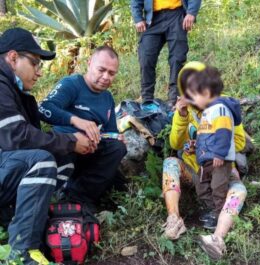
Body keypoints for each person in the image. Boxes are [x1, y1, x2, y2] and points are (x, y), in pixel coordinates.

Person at [0, 28, 94, 265]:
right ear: (12, 58)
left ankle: (40, 220)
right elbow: (17, 137)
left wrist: (69, 145)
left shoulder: (18, 93)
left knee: (61, 157)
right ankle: (22, 252)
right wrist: (71, 140)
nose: (39, 72)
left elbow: (29, 141)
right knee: (42, 161)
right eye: (35, 63)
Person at [162, 61, 247, 260]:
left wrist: (207, 145)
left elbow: (240, 142)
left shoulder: (222, 104)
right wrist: (182, 115)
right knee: (170, 163)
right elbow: (175, 143)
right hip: (194, 170)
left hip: (220, 168)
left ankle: (217, 238)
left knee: (239, 190)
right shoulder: (185, 110)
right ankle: (174, 218)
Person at [39, 46, 127, 212]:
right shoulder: (71, 84)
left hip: (90, 151)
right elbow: (44, 108)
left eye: (111, 73)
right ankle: (69, 195)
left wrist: (117, 137)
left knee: (117, 148)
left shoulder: (107, 97)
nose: (106, 77)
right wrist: (75, 120)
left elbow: (111, 132)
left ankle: (78, 196)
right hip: (65, 148)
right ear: (89, 63)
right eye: (101, 70)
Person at [186, 67, 243, 229]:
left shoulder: (220, 109)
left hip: (219, 160)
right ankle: (211, 211)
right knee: (202, 186)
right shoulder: (207, 112)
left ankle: (219, 215)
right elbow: (207, 136)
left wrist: (219, 154)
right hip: (206, 160)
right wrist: (196, 146)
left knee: (218, 188)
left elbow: (223, 133)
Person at [131, 0, 202, 106]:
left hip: (176, 15)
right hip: (152, 18)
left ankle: (174, 100)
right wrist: (137, 18)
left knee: (177, 58)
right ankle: (146, 98)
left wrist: (191, 12)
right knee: (146, 56)